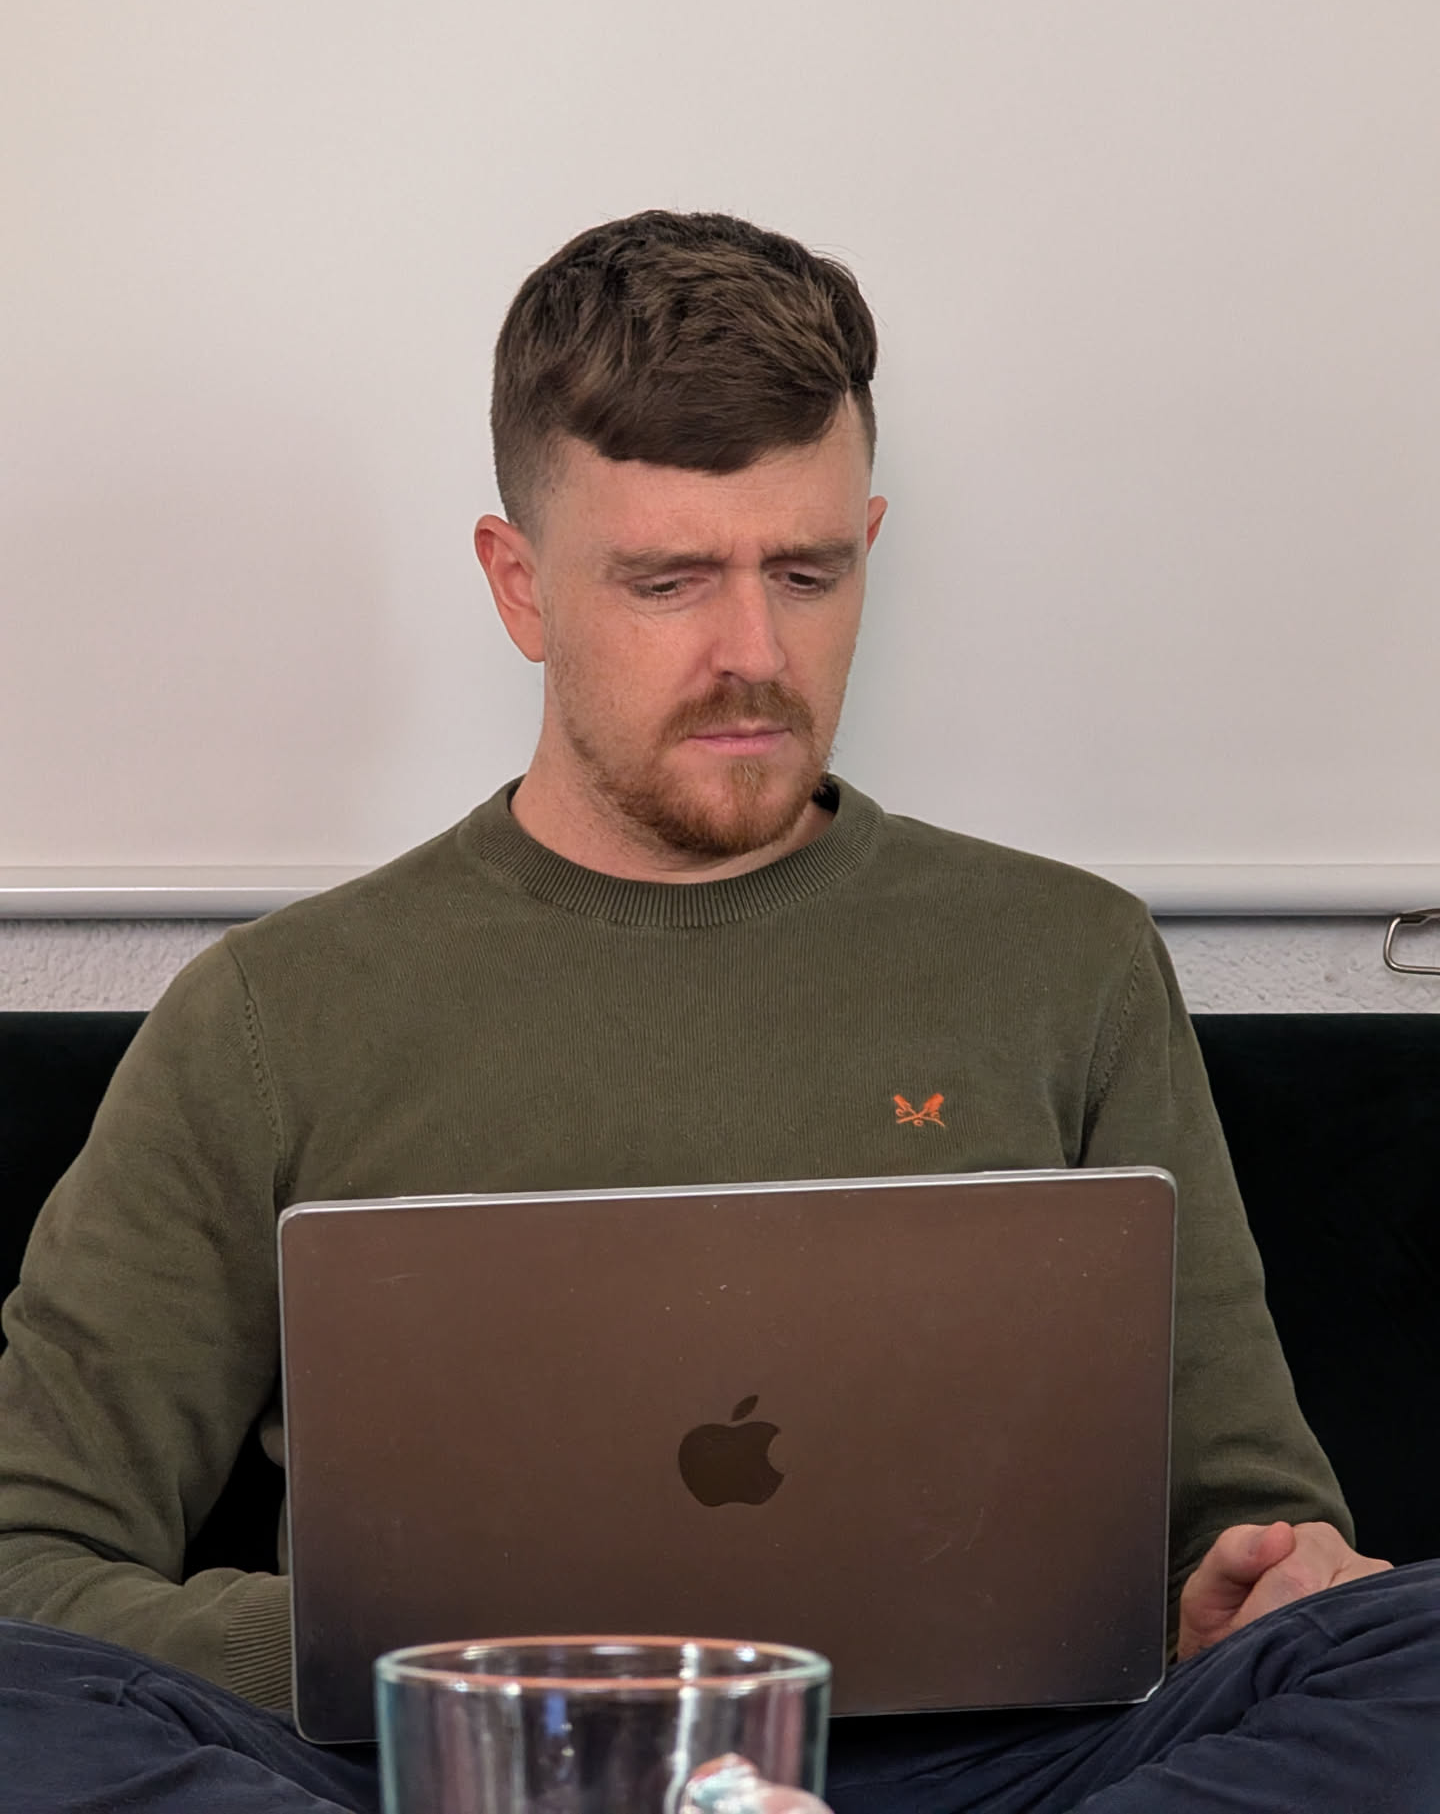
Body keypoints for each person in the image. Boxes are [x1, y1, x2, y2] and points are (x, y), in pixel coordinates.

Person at [0, 210, 1431, 1813]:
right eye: (670, 580)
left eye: (808, 573)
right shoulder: (272, 1016)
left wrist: (1259, 1581)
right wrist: (397, 1663)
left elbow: (1252, 1520)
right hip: (464, 1776)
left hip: (993, 1777)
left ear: (869, 542)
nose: (754, 653)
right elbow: (24, 1555)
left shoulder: (1067, 959)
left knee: (1413, 1645)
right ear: (519, 584)